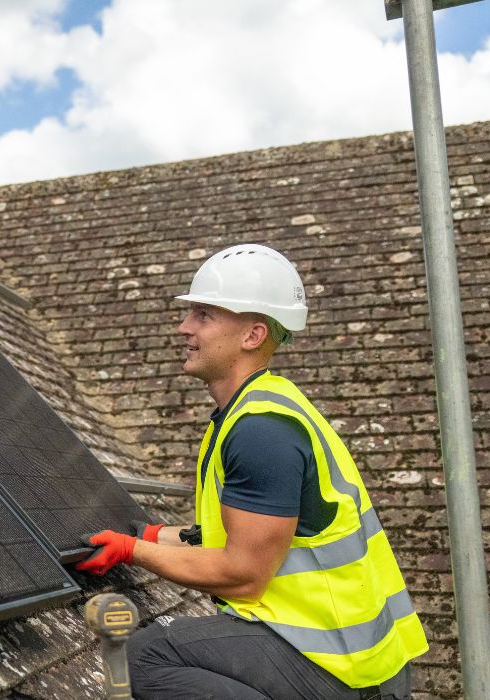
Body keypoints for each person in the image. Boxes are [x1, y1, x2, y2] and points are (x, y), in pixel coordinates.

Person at [76, 244, 428, 699]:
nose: (183, 326)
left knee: (144, 657)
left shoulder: (261, 430)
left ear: (252, 334)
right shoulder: (259, 409)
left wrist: (132, 551)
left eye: (203, 315)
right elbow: (241, 534)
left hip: (336, 666)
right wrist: (151, 534)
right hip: (354, 656)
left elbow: (244, 572)